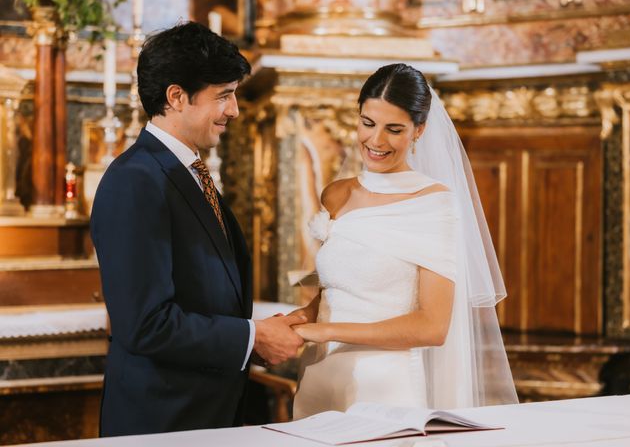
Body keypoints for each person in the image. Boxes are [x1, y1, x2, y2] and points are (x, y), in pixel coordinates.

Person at [90, 22, 305, 437]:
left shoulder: (185, 171)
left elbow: (205, 291)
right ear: (176, 97)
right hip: (162, 423)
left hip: (204, 417)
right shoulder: (135, 179)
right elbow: (146, 324)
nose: (235, 110)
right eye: (223, 96)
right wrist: (251, 338)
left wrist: (261, 329)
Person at [291, 63, 518, 418]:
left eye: (394, 129)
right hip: (320, 376)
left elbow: (432, 326)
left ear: (419, 130)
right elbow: (338, 289)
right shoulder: (336, 194)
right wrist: (300, 319)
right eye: (368, 124)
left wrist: (326, 331)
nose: (376, 141)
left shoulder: (434, 204)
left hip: (384, 390)